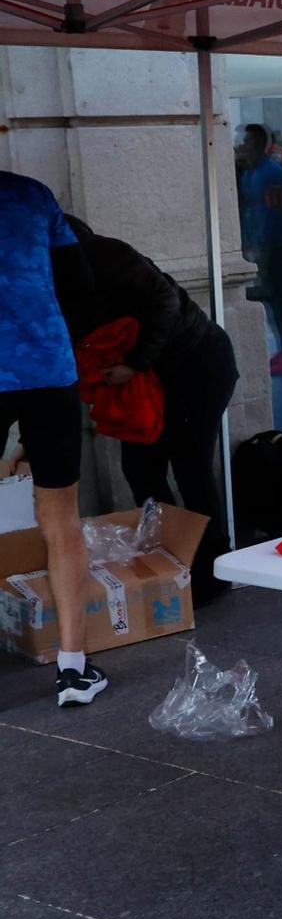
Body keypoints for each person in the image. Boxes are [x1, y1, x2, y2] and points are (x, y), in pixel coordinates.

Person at [52, 224, 238, 598]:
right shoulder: (47, 276)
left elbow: (165, 302)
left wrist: (134, 363)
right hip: (148, 380)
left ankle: (210, 573)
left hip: (194, 364)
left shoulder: (105, 257)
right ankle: (169, 563)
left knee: (190, 466)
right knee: (140, 468)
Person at [0, 172, 106, 706]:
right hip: (46, 369)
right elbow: (80, 288)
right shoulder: (32, 195)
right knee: (61, 519)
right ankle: (72, 668)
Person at [239, 125, 282, 377]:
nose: (246, 146)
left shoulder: (271, 173)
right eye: (245, 142)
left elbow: (274, 214)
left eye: (250, 142)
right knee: (274, 298)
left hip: (276, 243)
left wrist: (260, 244)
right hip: (264, 243)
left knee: (279, 297)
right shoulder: (251, 173)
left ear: (261, 144)